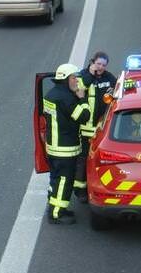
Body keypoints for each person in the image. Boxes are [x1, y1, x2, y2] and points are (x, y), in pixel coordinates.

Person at [43, 64, 91, 224]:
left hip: (53, 147)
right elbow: (84, 116)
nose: (76, 80)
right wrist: (82, 98)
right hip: (65, 149)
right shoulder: (67, 98)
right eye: (74, 77)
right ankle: (57, 214)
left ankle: (54, 206)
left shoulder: (51, 94)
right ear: (65, 79)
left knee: (55, 179)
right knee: (64, 180)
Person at [74, 52, 118, 203]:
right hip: (85, 128)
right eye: (98, 64)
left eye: (104, 65)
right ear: (92, 62)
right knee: (83, 160)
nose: (101, 67)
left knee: (99, 160)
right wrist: (91, 74)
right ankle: (80, 190)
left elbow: (117, 87)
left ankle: (99, 187)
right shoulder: (83, 76)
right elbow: (79, 88)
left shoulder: (108, 77)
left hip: (102, 128)